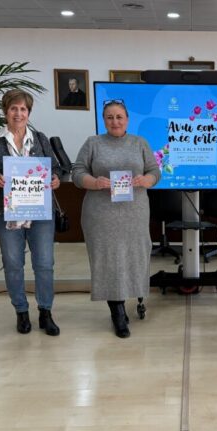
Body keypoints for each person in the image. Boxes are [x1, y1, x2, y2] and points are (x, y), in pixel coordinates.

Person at [72, 100, 160, 338]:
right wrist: (95, 182)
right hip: (101, 214)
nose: (115, 121)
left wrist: (147, 180)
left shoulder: (139, 143)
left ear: (127, 120)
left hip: (134, 213)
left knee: (132, 258)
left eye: (119, 117)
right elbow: (77, 172)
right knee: (109, 261)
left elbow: (155, 171)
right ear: (104, 120)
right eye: (110, 117)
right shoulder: (93, 143)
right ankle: (117, 311)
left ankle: (127, 300)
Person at [0, 90, 61, 336]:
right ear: (6, 111)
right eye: (14, 108)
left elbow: (55, 168)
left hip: (40, 211)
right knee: (13, 263)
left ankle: (45, 311)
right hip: (6, 212)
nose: (18, 113)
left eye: (23, 109)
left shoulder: (41, 139)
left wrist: (55, 179)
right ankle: (21, 312)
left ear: (29, 113)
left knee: (44, 263)